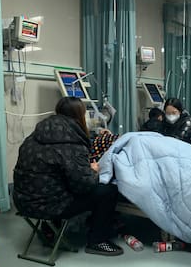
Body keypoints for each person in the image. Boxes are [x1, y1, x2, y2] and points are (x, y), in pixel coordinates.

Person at [13, 97, 123, 256]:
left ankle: (50, 231)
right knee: (107, 191)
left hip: (23, 202)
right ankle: (98, 241)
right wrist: (93, 170)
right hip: (49, 206)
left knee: (53, 181)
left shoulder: (35, 136)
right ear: (79, 115)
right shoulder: (71, 143)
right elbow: (84, 185)